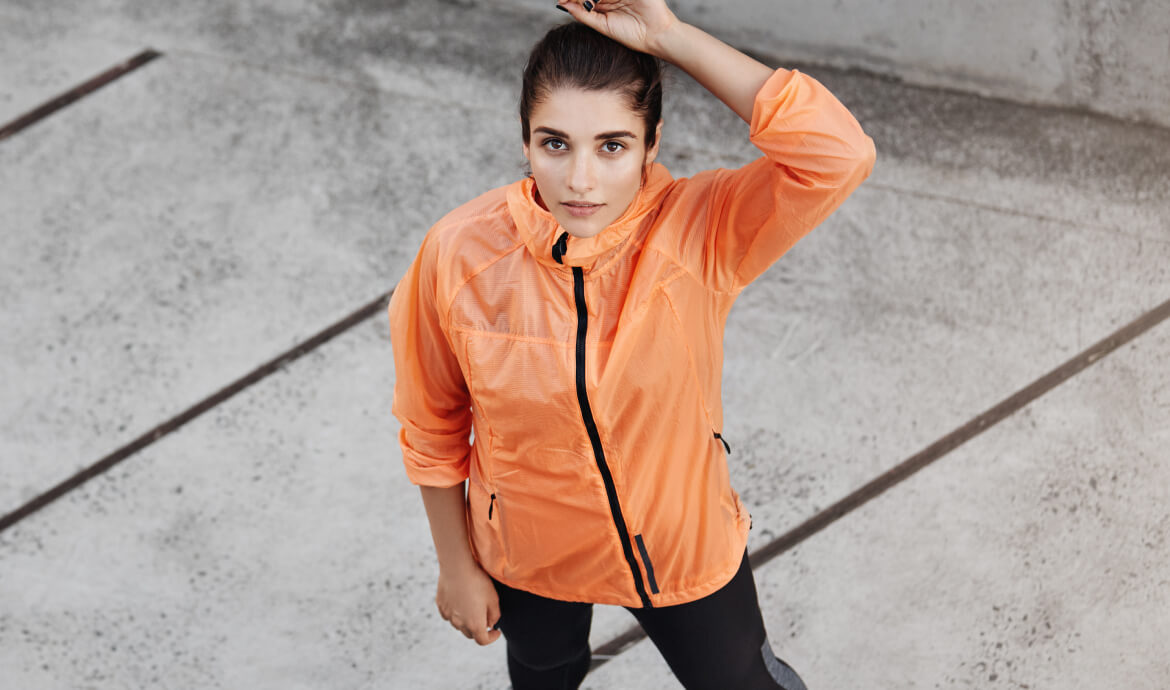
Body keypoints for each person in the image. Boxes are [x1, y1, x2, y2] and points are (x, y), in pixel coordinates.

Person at [388, 1, 875, 687]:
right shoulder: (457, 254)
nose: (580, 180)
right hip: (530, 551)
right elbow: (432, 425)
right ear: (525, 142)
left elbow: (838, 153)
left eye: (612, 146)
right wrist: (455, 567)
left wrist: (671, 37)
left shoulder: (702, 231)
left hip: (680, 542)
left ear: (652, 145)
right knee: (545, 671)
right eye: (555, 143)